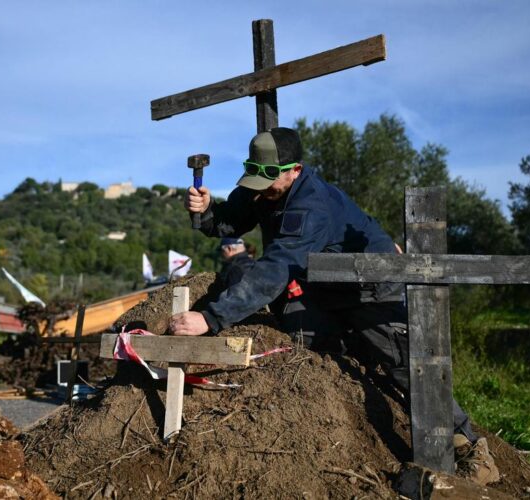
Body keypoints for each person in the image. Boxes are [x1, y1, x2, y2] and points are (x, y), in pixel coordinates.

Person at [169, 127, 499, 484]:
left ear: (295, 169)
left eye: (269, 178)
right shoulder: (261, 186)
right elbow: (229, 220)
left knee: (405, 363)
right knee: (310, 337)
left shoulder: (311, 205)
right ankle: (354, 363)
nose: (260, 189)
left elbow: (277, 267)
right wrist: (204, 212)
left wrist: (210, 318)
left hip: (370, 285)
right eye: (255, 176)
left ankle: (469, 447)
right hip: (324, 283)